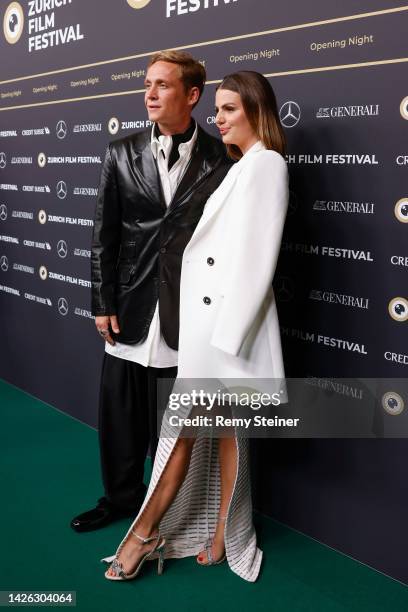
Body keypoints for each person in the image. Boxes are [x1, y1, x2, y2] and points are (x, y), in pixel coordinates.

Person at [102, 70, 288, 582]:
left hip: (224, 333)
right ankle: (223, 533)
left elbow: (255, 261)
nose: (218, 118)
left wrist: (225, 341)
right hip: (211, 328)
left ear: (255, 109)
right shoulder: (242, 165)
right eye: (218, 109)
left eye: (230, 109)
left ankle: (144, 537)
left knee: (183, 434)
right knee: (223, 435)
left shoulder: (265, 165)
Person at [71, 50, 230, 532]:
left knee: (174, 420)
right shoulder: (120, 152)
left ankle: (171, 509)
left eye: (162, 85)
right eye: (147, 85)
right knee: (119, 414)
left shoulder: (224, 158)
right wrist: (103, 301)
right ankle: (120, 499)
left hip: (189, 309)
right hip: (132, 304)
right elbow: (105, 234)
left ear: (192, 95)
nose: (150, 94)